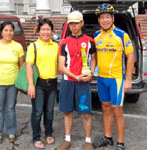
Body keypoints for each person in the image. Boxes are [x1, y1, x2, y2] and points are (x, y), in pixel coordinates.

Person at [92, 4, 134, 150]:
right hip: (102, 78)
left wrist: (128, 79)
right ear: (99, 20)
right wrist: (90, 71)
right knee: (105, 107)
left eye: (107, 17)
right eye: (102, 18)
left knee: (117, 109)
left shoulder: (122, 34)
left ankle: (120, 142)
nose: (105, 20)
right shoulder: (96, 36)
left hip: (116, 78)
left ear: (113, 18)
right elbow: (94, 57)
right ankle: (108, 137)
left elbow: (130, 56)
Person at [56, 11, 96, 150]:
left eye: (76, 23)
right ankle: (67, 139)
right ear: (68, 25)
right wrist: (75, 76)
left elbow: (94, 60)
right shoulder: (64, 42)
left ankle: (88, 140)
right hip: (68, 81)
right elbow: (61, 66)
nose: (74, 26)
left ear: (82, 23)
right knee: (67, 111)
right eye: (71, 23)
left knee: (85, 113)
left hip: (83, 82)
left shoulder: (90, 41)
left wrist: (90, 72)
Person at [26, 18, 59, 149]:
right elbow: (29, 66)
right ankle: (36, 137)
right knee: (38, 112)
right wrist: (31, 85)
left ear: (52, 31)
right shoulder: (33, 46)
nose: (46, 32)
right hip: (38, 83)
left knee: (49, 111)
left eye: (48, 29)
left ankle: (49, 133)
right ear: (39, 31)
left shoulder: (56, 46)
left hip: (53, 83)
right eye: (43, 29)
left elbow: (60, 64)